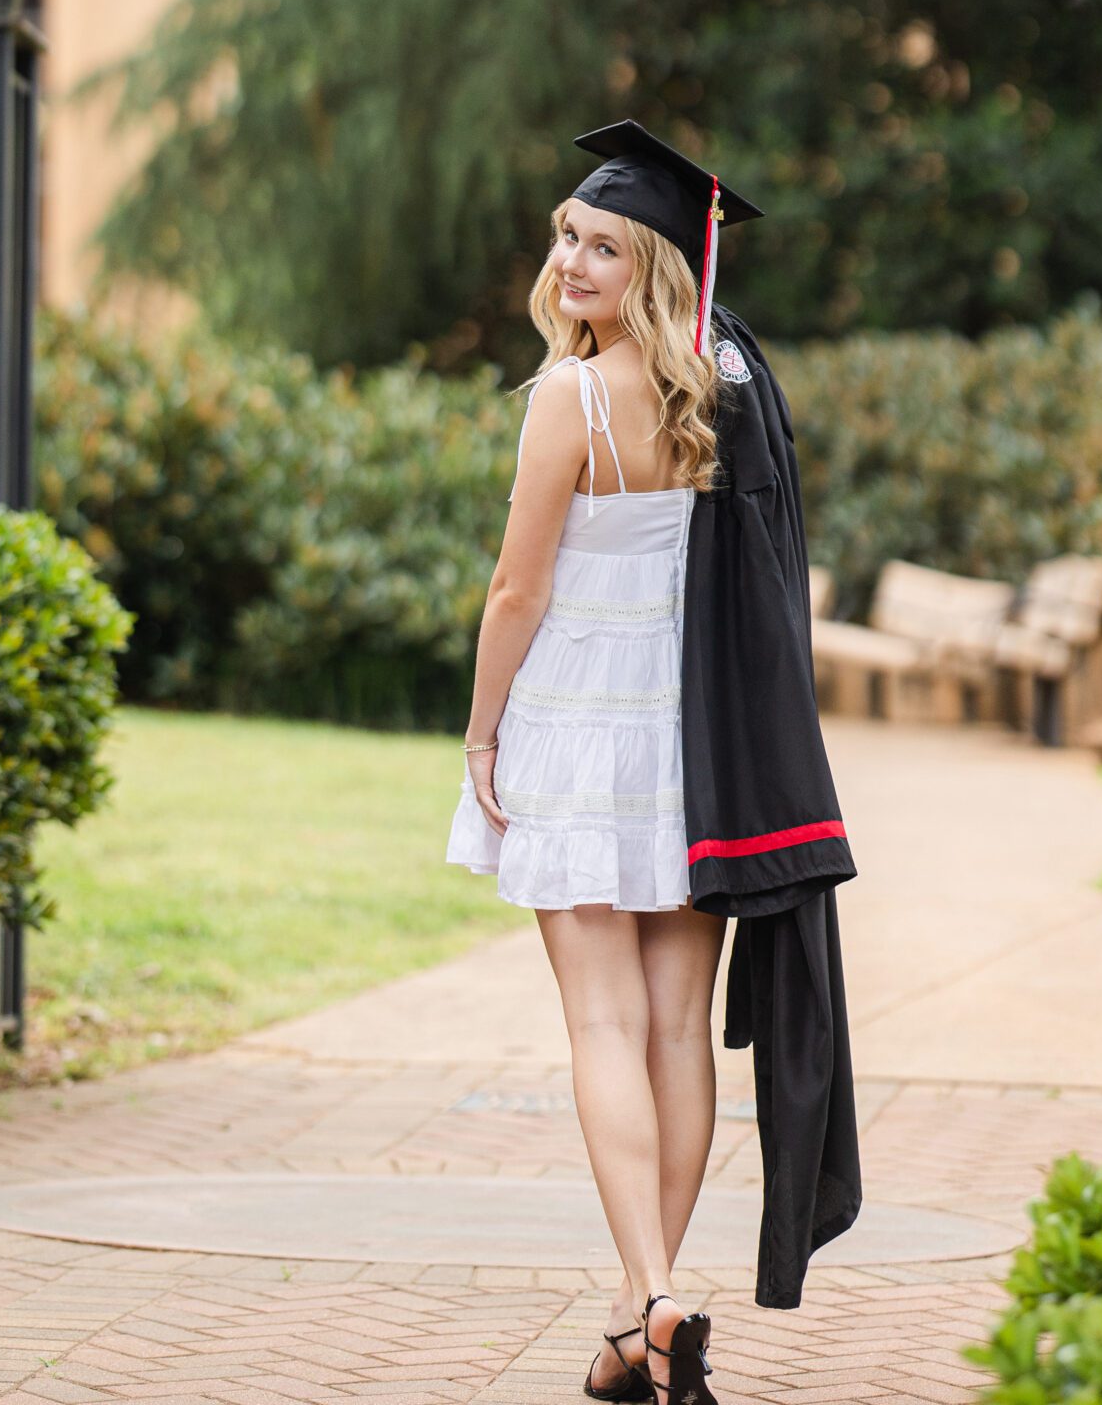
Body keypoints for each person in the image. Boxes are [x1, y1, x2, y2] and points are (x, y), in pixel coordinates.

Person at [447, 121, 859, 1401]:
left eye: (601, 245)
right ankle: (642, 1314)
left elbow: (517, 590)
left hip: (577, 724)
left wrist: (479, 729)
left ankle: (653, 1295)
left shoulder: (567, 401)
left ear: (652, 269)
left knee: (605, 1021)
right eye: (567, 232)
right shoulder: (727, 387)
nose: (569, 257)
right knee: (677, 1026)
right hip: (695, 742)